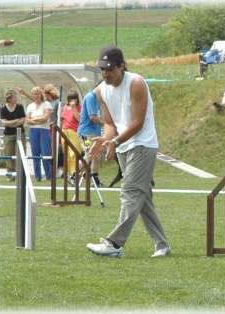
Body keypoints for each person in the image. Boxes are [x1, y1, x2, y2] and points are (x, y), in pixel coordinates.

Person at [86, 46, 170, 258]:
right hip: (122, 146)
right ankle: (162, 244)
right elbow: (110, 123)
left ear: (122, 66)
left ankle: (114, 243)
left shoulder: (136, 83)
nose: (106, 74)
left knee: (130, 192)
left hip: (143, 144)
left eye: (110, 69)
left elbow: (138, 123)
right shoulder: (100, 91)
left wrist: (114, 140)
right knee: (142, 199)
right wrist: (105, 140)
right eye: (102, 69)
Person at [78, 85, 104, 187]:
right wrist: (107, 125)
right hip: (86, 133)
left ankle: (94, 179)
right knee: (90, 153)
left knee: (96, 155)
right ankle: (74, 174)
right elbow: (93, 117)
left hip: (94, 133)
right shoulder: (91, 97)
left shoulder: (98, 99)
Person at [25, 86, 53, 181]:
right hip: (33, 131)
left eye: (37, 93)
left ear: (41, 94)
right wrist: (38, 119)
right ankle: (38, 176)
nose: (35, 95)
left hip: (44, 131)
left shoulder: (47, 104)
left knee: (45, 153)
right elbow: (27, 120)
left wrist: (33, 119)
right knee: (35, 154)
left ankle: (49, 175)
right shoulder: (30, 106)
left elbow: (45, 119)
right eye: (33, 94)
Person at [0, 90, 26, 179]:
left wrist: (11, 123)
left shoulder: (20, 107)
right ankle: (10, 175)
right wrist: (15, 121)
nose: (16, 98)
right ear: (9, 99)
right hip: (8, 135)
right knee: (8, 155)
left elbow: (22, 120)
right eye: (14, 97)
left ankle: (21, 175)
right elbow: (4, 123)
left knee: (21, 154)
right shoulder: (3, 108)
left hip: (20, 133)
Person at [60, 89, 83, 184]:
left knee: (74, 153)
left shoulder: (79, 107)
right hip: (64, 131)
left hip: (74, 132)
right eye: (70, 99)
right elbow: (62, 120)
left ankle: (74, 174)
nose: (72, 101)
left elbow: (79, 119)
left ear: (77, 99)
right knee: (66, 154)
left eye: (74, 98)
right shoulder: (65, 107)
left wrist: (74, 108)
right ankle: (69, 174)